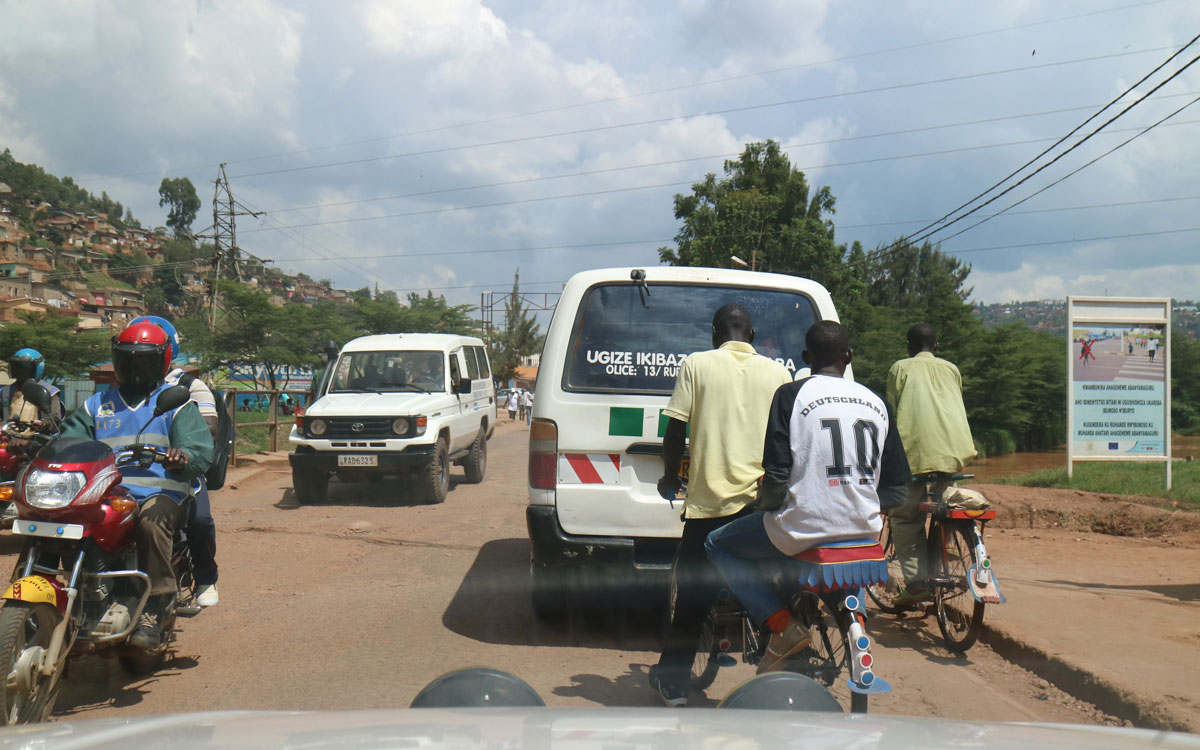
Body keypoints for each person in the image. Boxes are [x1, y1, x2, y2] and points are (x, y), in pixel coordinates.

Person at [705, 320, 909, 673]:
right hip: (863, 529)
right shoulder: (877, 403)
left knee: (716, 545)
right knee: (848, 550)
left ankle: (783, 626)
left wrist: (765, 504)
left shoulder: (791, 395)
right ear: (849, 356)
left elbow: (777, 475)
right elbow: (896, 488)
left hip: (803, 528)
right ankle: (854, 616)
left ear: (805, 357)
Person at [647, 303, 792, 707]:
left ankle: (674, 684)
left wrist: (671, 477)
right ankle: (777, 666)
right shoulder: (779, 373)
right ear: (752, 332)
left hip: (710, 507)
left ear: (715, 333)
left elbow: (675, 430)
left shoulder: (697, 364)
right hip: (761, 508)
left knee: (692, 599)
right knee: (768, 589)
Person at [58, 321, 213, 649]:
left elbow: (198, 449)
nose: (135, 367)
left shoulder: (176, 403)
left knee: (150, 524)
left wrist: (181, 456)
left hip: (161, 493)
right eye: (128, 359)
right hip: (106, 495)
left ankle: (156, 606)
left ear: (162, 361)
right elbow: (69, 440)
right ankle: (83, 597)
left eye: (144, 360)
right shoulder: (95, 405)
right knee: (67, 523)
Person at [131, 315, 222, 608]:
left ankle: (206, 578)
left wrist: (181, 447)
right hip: (130, 472)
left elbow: (209, 427)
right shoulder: (121, 389)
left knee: (200, 518)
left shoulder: (190, 386)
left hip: (178, 471)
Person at [884, 322, 976, 607]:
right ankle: (946, 547)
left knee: (905, 517)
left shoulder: (900, 368)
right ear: (936, 346)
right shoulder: (952, 369)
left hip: (915, 454)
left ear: (908, 346)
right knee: (943, 506)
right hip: (953, 452)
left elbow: (890, 412)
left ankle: (916, 583)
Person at [2, 348, 64, 425]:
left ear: (37, 368)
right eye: (16, 367)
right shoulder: (5, 391)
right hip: (8, 434)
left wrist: (42, 424)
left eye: (24, 368)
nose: (19, 371)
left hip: (37, 435)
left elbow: (54, 419)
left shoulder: (49, 391)